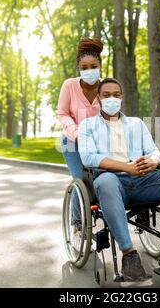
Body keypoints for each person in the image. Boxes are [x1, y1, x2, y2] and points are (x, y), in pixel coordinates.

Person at [78, 78, 160, 281]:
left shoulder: (136, 124)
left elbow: (155, 151)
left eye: (116, 94)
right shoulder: (87, 125)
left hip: (143, 181)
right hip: (113, 183)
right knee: (106, 181)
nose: (111, 98)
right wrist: (126, 167)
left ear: (121, 97)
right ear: (98, 98)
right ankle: (129, 255)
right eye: (106, 95)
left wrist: (153, 161)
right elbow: (88, 158)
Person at [57, 38, 104, 226]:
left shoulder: (106, 88)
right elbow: (62, 113)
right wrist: (76, 132)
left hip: (98, 143)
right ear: (79, 68)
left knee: (103, 178)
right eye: (84, 67)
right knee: (82, 180)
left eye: (93, 66)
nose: (89, 70)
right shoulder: (69, 86)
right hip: (72, 141)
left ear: (100, 66)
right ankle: (77, 223)